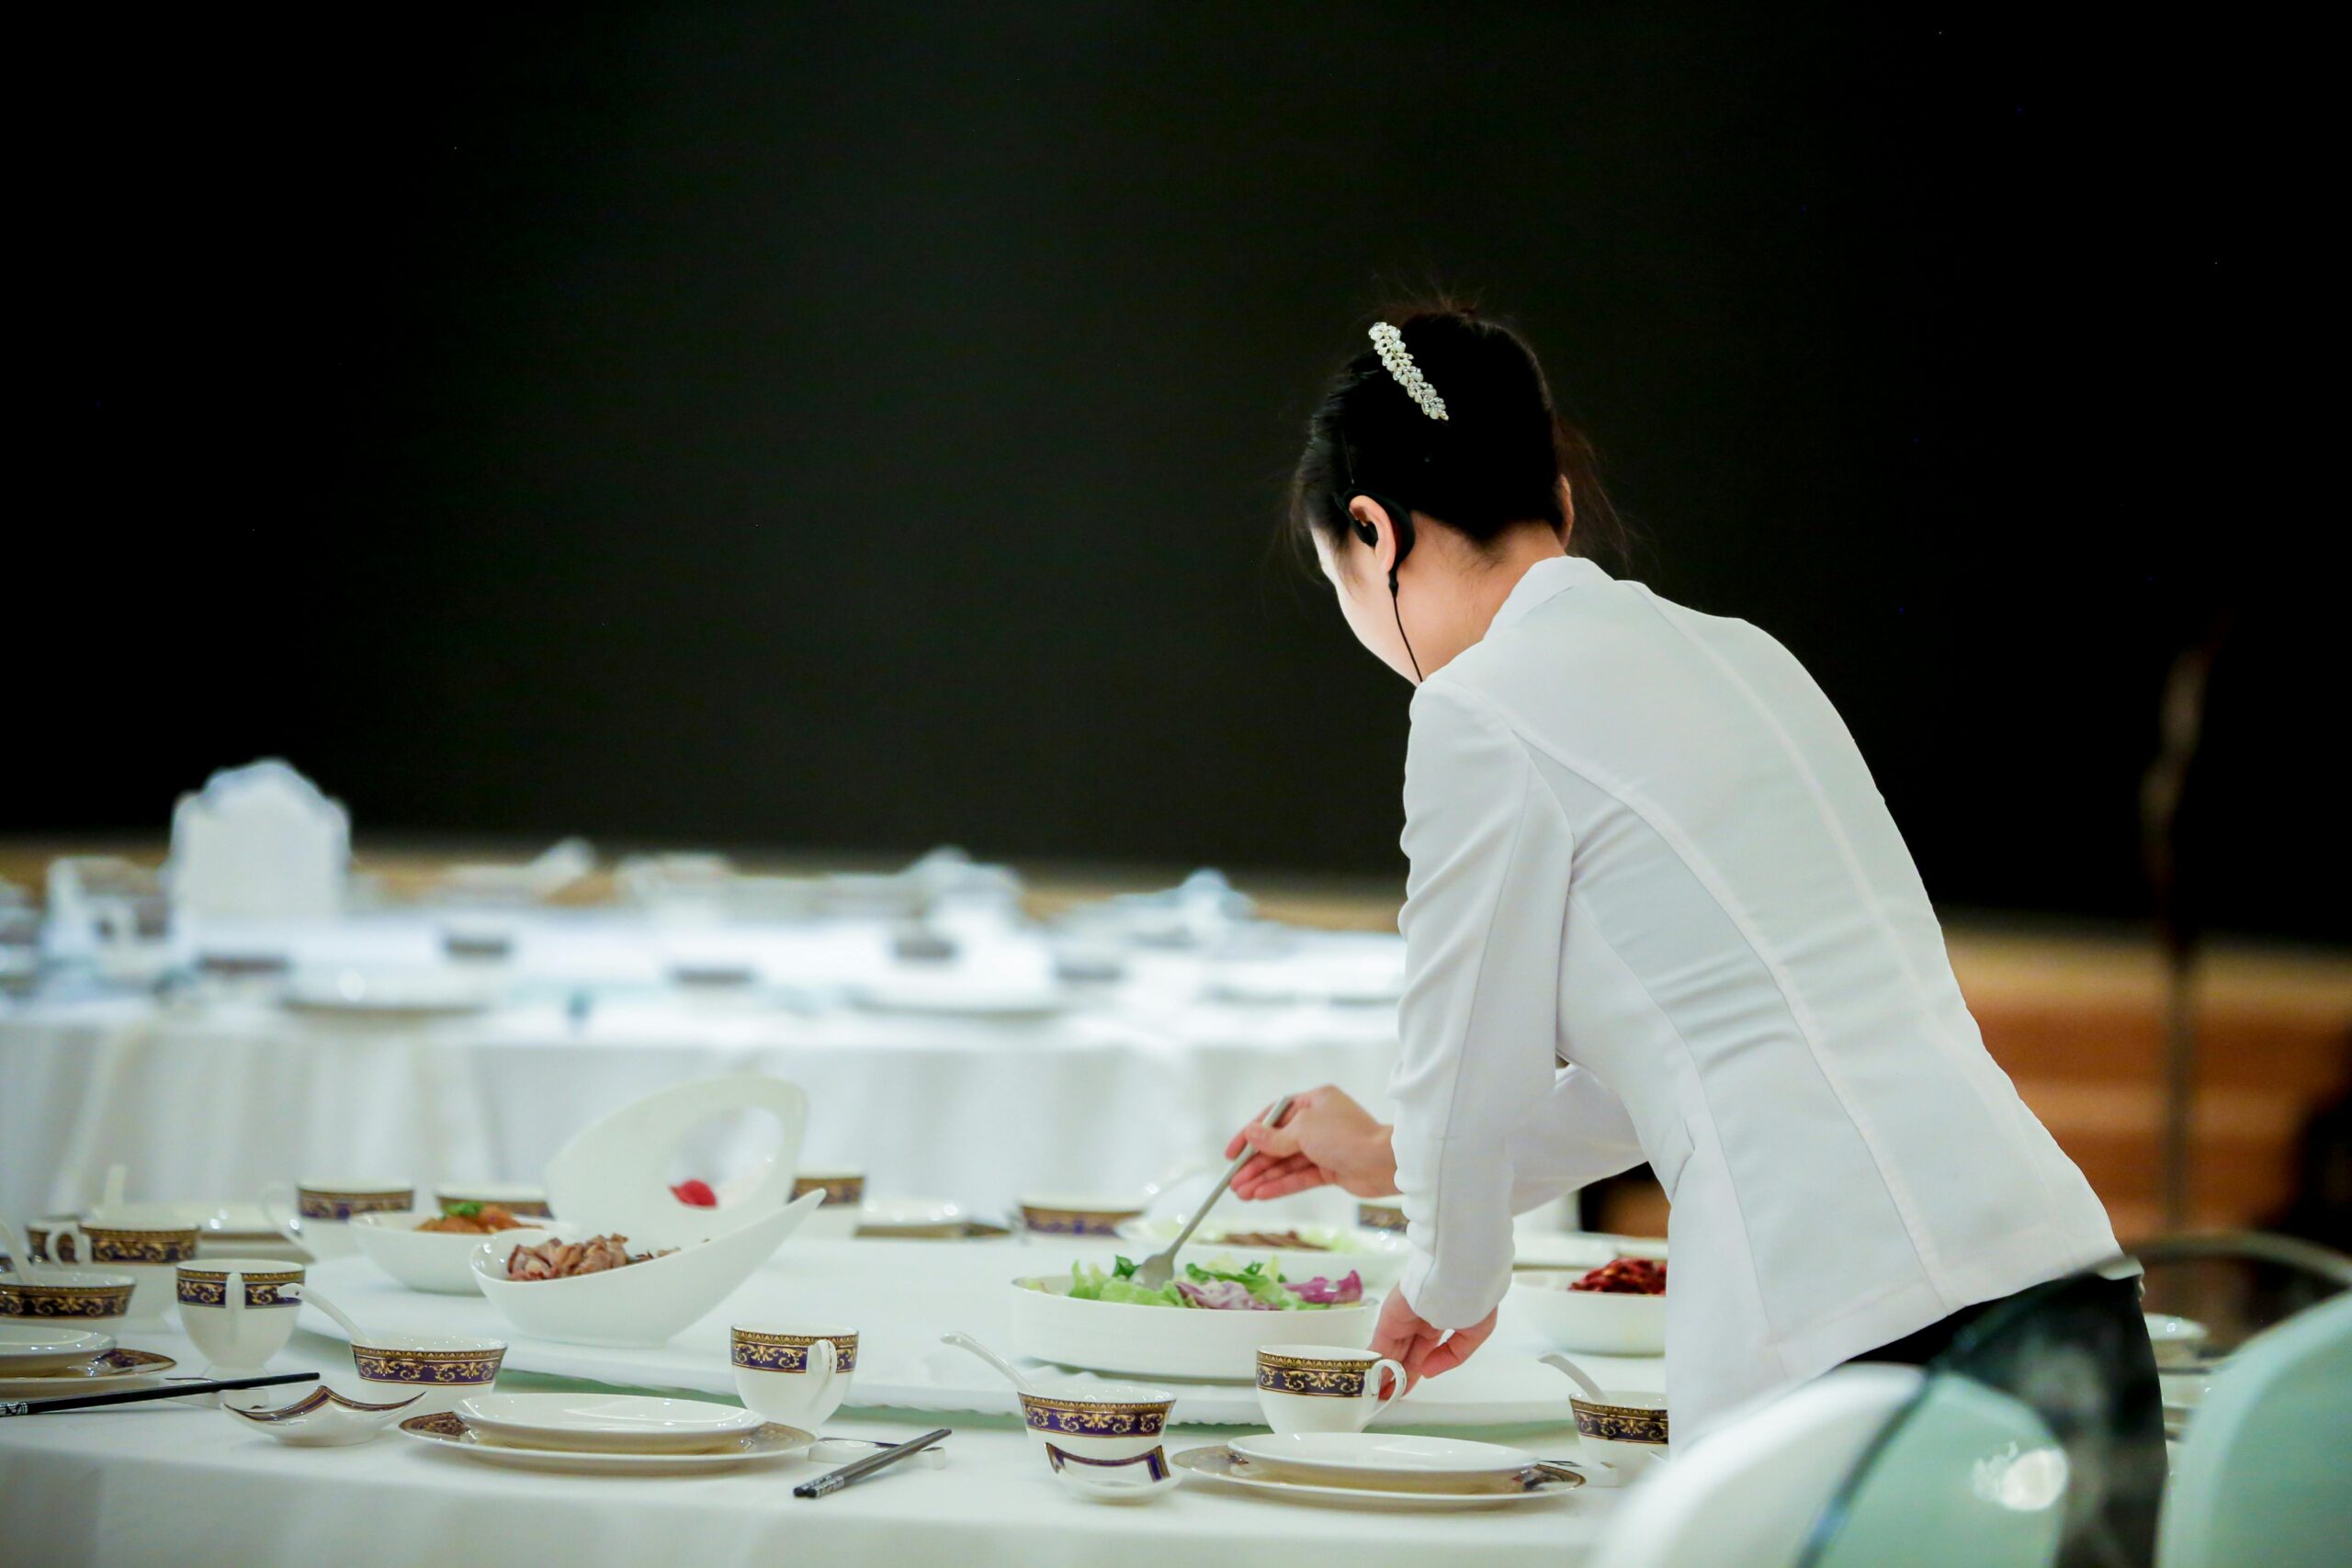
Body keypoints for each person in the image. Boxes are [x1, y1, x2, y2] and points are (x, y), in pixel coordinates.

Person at [1224, 305, 2137, 1447]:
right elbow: (1683, 1052)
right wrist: (1393, 1162)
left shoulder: (1477, 711)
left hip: (1852, 1332)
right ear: (1560, 504)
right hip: (2063, 1288)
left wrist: (1447, 1280)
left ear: (1373, 533)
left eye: (1339, 582)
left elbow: (1462, 1066)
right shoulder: (1750, 656)